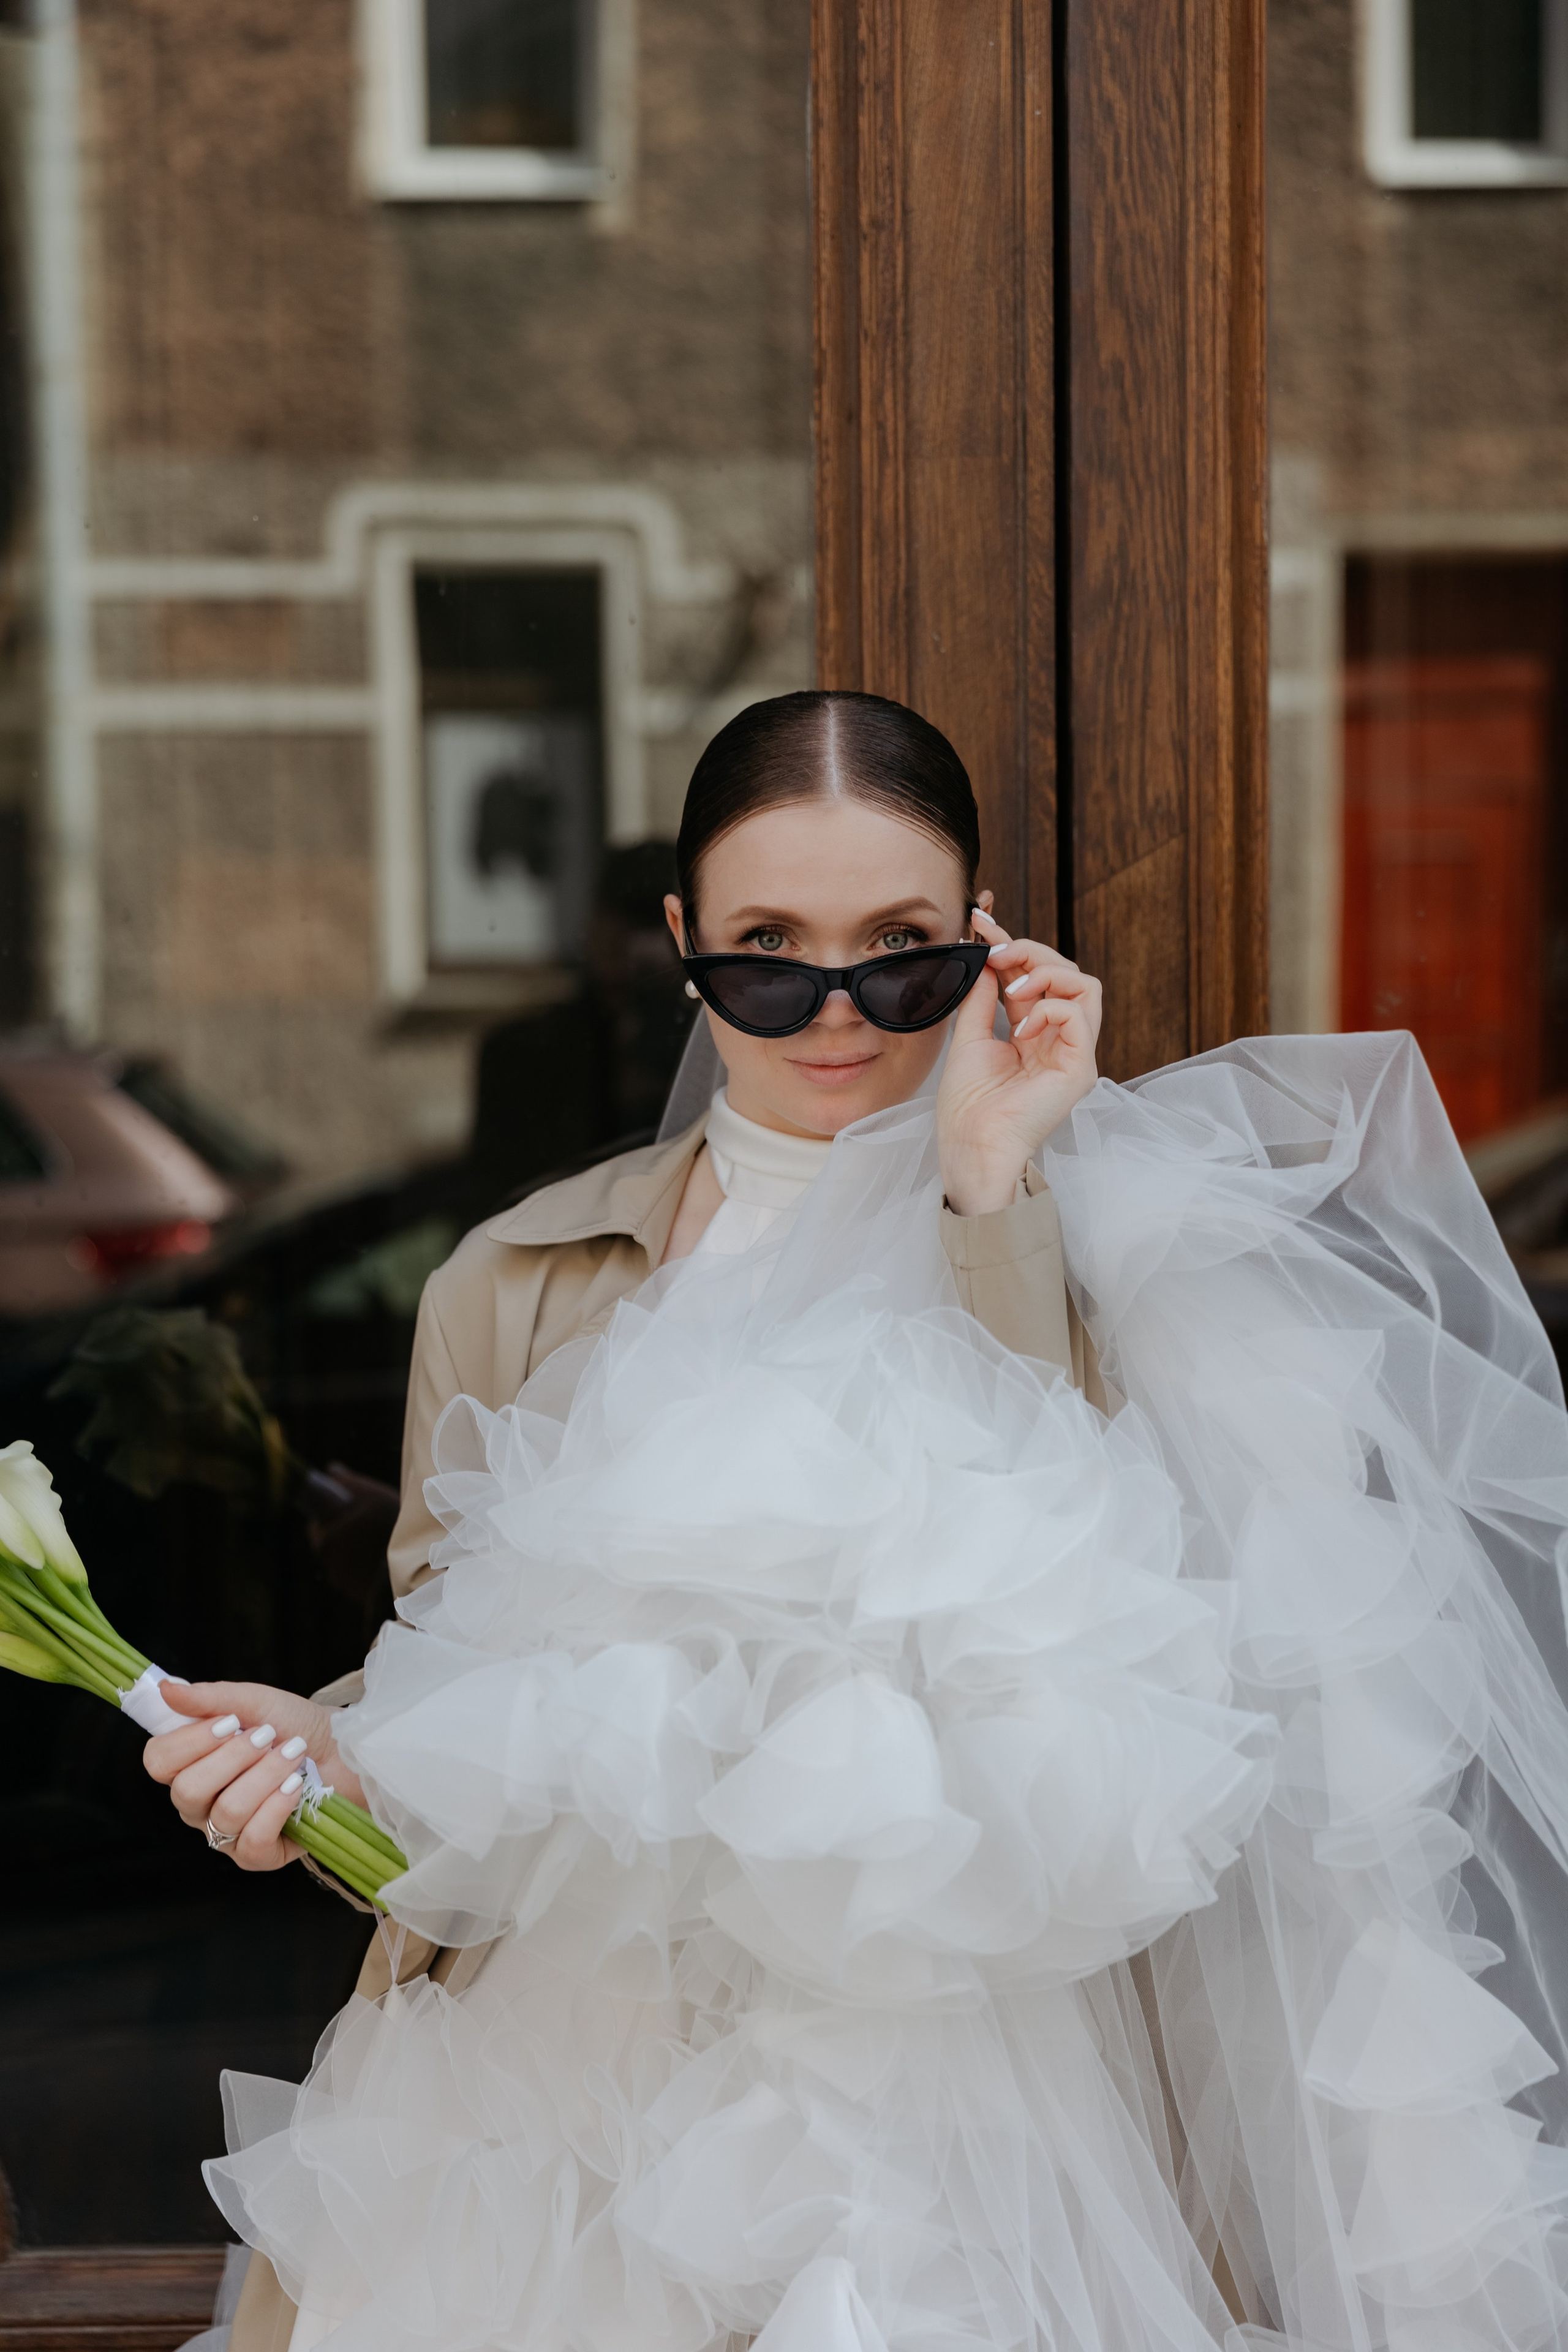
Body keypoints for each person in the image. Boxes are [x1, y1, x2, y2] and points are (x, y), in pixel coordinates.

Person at [144, 692, 1568, 2352]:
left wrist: (988, 1187)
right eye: (766, 951)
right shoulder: (519, 1285)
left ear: (981, 943)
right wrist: (314, 1764)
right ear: (679, 946)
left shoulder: (1130, 1243)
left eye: (897, 951)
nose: (836, 1013)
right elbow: (480, 1727)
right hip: (559, 2138)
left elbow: (1177, 1705)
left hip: (983, 2160)